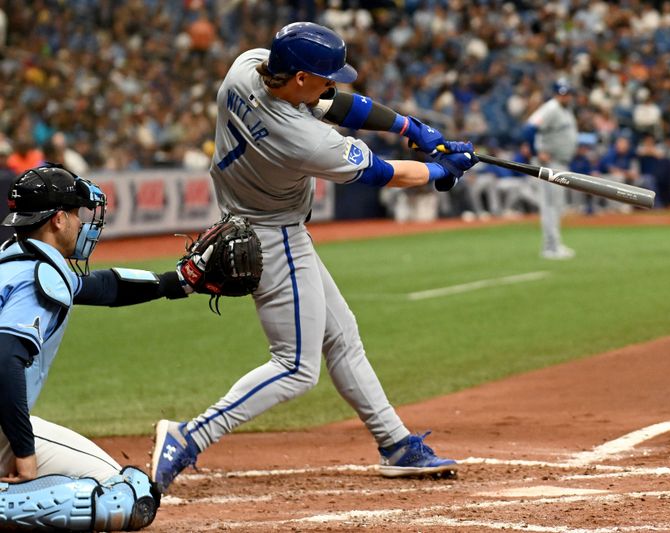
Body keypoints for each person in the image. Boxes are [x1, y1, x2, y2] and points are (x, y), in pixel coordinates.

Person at [150, 22, 476, 493]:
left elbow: (332, 103)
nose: (334, 83)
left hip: (249, 217)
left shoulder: (245, 68)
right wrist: (442, 170)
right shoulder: (304, 139)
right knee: (295, 367)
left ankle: (396, 443)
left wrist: (412, 127)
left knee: (342, 336)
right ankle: (188, 436)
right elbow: (386, 173)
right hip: (273, 232)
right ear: (299, 76)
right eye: (325, 76)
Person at [0, 164, 194, 531]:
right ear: (58, 220)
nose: (80, 223)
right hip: (2, 428)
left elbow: (104, 287)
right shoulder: (36, 278)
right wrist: (24, 453)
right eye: (76, 213)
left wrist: (179, 282)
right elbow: (5, 359)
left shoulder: (14, 258)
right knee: (127, 497)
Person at [524, 78, 578, 260]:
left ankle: (555, 245)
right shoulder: (552, 107)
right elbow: (529, 128)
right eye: (561, 93)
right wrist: (536, 151)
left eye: (567, 93)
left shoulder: (565, 109)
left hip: (560, 163)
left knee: (557, 206)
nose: (565, 97)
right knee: (550, 206)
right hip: (549, 164)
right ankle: (550, 247)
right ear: (555, 94)